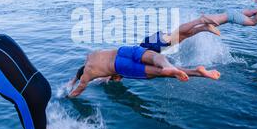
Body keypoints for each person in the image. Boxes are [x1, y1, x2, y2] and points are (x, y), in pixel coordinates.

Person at [67, 45, 221, 98]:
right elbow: (79, 71)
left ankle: (191, 72)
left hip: (119, 65)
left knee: (158, 72)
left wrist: (68, 96)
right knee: (156, 57)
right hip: (124, 50)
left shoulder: (88, 74)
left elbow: (78, 90)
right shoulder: (91, 55)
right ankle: (173, 66)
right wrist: (73, 80)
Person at [140, 15, 220, 53]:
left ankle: (200, 20)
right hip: (150, 44)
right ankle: (204, 27)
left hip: (151, 45)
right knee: (182, 36)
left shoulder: (132, 57)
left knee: (177, 34)